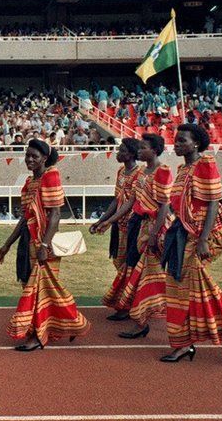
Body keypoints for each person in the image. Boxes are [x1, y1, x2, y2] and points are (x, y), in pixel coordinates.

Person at [157, 124, 222, 362]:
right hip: (181, 234)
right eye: (175, 140)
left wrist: (204, 239)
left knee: (198, 284)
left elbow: (214, 203)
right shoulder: (183, 168)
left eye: (182, 140)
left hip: (199, 236)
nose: (176, 144)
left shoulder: (205, 165)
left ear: (196, 143)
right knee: (177, 289)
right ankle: (183, 343)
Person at [0, 139, 90, 350]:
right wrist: (7, 245)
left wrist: (44, 245)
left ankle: (37, 335)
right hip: (27, 241)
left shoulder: (51, 176)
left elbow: (56, 215)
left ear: (44, 159)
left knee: (42, 289)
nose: (29, 159)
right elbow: (24, 218)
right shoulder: (29, 183)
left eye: (34, 156)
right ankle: (72, 324)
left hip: (42, 243)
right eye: (27, 155)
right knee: (42, 288)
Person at [115, 134, 172, 339]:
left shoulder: (162, 171)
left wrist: (154, 234)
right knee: (139, 273)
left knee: (145, 275)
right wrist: (108, 220)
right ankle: (140, 318)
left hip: (152, 228)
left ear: (154, 150)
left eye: (143, 148)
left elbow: (164, 206)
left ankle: (142, 321)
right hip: (139, 227)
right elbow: (131, 201)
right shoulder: (142, 173)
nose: (139, 151)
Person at [89, 137, 143, 321]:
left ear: (131, 154)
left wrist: (107, 221)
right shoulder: (121, 171)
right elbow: (116, 200)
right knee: (120, 264)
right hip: (119, 226)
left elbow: (130, 203)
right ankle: (128, 303)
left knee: (129, 266)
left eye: (121, 150)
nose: (118, 153)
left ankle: (128, 306)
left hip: (134, 226)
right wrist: (101, 220)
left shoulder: (139, 173)